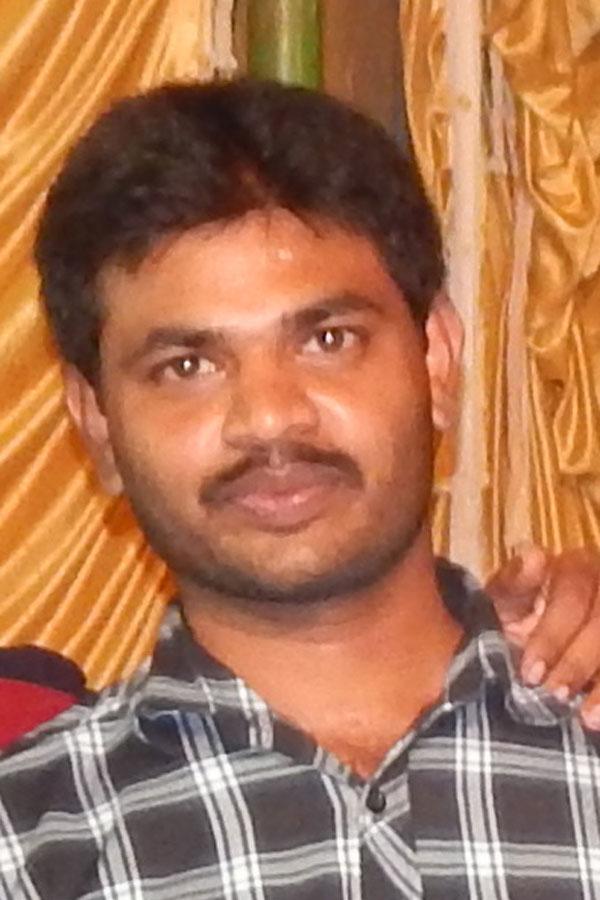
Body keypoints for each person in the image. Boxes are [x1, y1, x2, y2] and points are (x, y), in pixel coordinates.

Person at [1, 79, 599, 899]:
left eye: (328, 339)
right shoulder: (27, 846)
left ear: (436, 360)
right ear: (97, 423)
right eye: (187, 366)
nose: (270, 417)